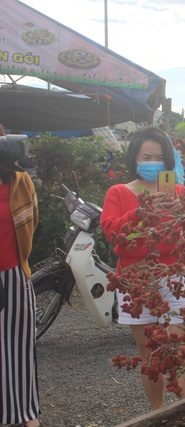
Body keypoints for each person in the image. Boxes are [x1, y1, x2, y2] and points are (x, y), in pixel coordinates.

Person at [101, 126, 185, 410]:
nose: (152, 162)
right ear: (135, 158)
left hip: (174, 279)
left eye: (158, 157)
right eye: (147, 156)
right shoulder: (118, 192)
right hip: (136, 281)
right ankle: (157, 413)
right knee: (150, 354)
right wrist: (142, 212)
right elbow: (113, 235)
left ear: (168, 161)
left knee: (181, 352)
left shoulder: (178, 192)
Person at [0, 128, 41, 427]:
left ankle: (25, 414)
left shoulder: (19, 180)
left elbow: (31, 221)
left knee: (18, 347)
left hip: (13, 272)